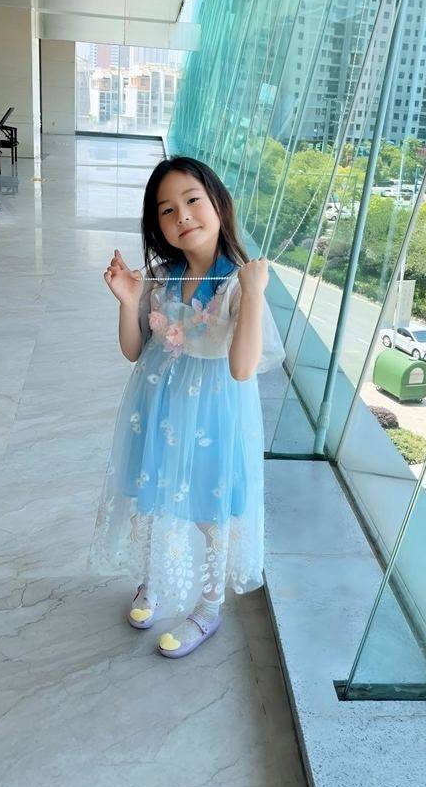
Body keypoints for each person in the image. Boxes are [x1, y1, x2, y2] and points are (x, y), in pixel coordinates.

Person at [87, 156, 286, 658]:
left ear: (219, 203)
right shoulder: (162, 277)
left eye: (192, 200)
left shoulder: (237, 282)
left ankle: (208, 607)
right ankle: (153, 582)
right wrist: (127, 301)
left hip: (214, 416)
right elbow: (134, 350)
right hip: (158, 408)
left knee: (212, 510)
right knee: (155, 494)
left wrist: (254, 294)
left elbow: (242, 368)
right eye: (167, 210)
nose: (183, 216)